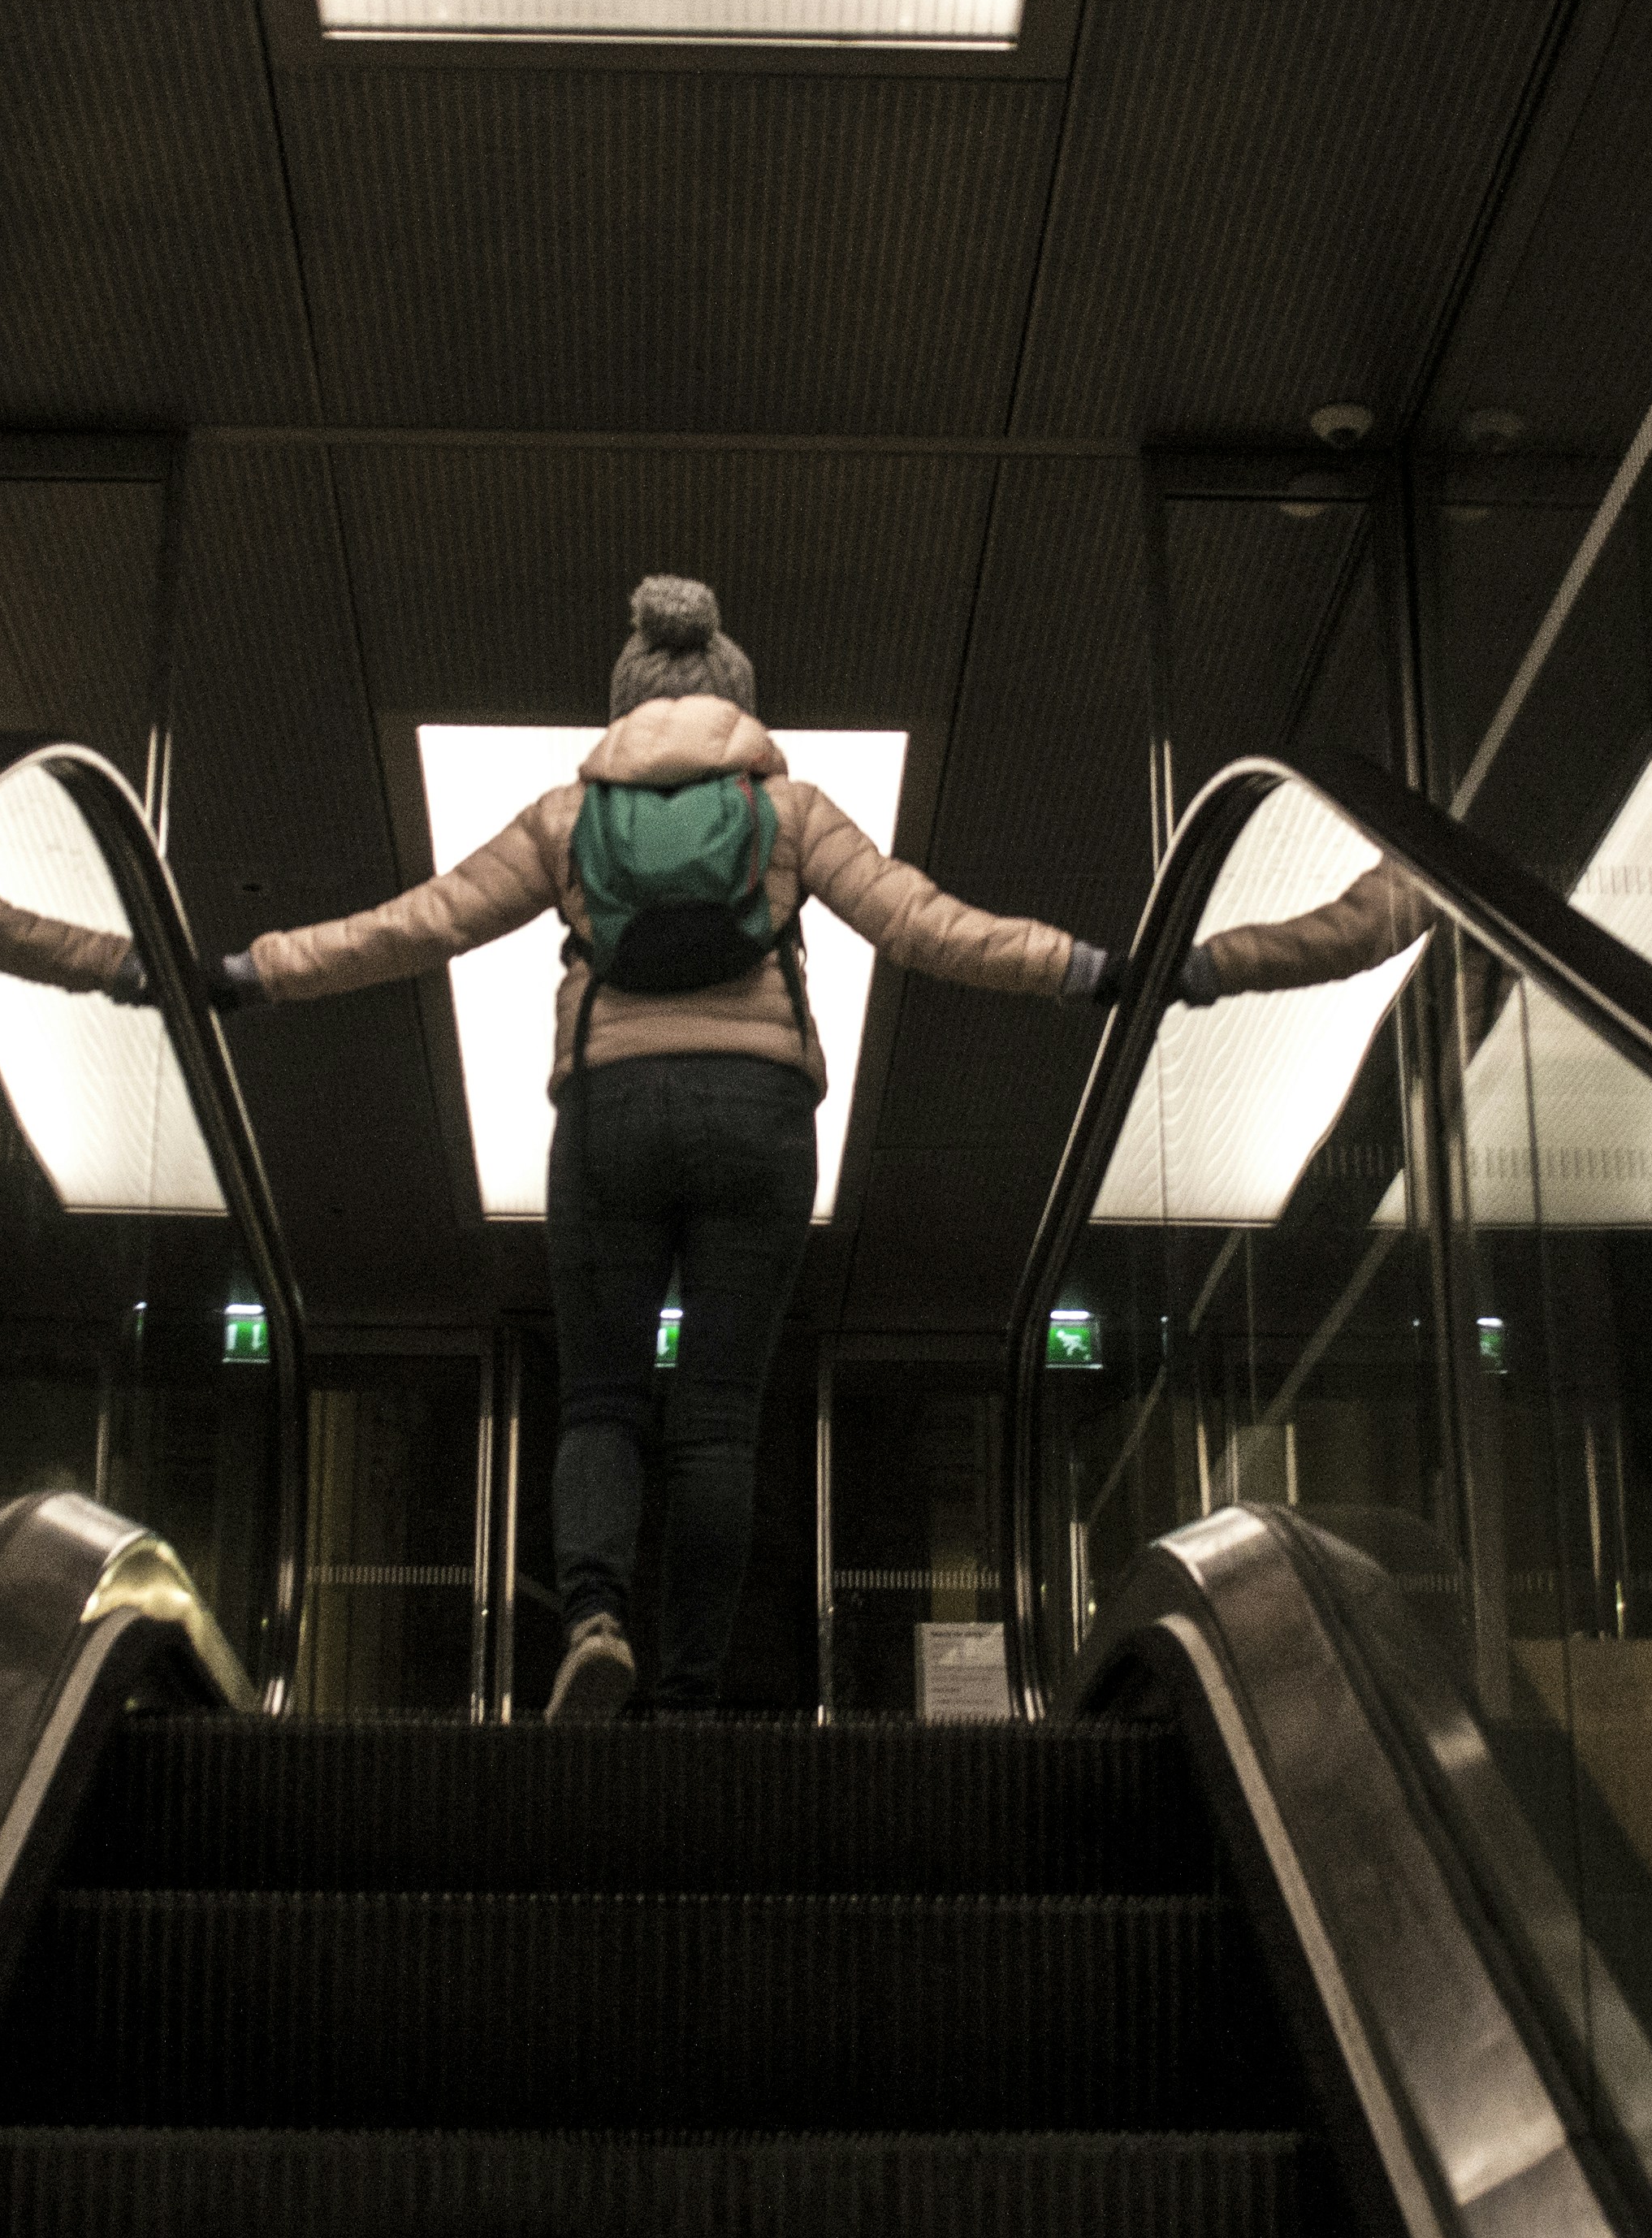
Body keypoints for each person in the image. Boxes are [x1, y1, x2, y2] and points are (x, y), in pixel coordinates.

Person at [209, 577, 1117, 1719]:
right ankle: (691, 1684)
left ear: (624, 709)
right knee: (721, 1416)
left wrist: (254, 973)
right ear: (736, 701)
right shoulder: (792, 812)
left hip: (610, 1116)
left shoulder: (566, 817)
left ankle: (594, 1620)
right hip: (761, 1116)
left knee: (601, 1400)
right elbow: (920, 923)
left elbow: (420, 923)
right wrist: (1081, 967)